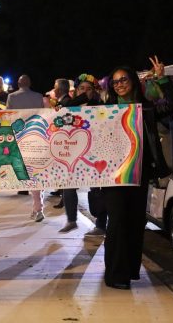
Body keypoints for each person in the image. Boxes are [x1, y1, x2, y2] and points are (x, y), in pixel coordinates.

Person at [103, 56, 173, 290]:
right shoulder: (105, 111)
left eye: (123, 80)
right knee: (116, 222)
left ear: (134, 82)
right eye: (115, 82)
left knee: (134, 223)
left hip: (138, 174)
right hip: (112, 176)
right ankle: (115, 274)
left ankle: (127, 273)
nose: (119, 84)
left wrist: (162, 79)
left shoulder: (145, 109)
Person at [56, 73, 103, 234]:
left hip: (94, 152)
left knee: (96, 188)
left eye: (88, 89)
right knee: (69, 186)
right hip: (74, 152)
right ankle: (71, 219)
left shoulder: (99, 105)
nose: (85, 92)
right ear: (76, 91)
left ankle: (101, 223)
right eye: (81, 88)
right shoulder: (70, 105)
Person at [5, 74, 45, 220]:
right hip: (36, 135)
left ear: (18, 83)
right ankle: (38, 206)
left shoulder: (12, 97)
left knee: (28, 171)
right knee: (36, 171)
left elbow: (8, 116)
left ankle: (37, 207)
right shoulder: (38, 96)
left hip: (20, 136)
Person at [50, 78, 73, 208]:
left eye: (54, 87)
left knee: (66, 172)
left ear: (59, 89)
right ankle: (63, 197)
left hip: (65, 140)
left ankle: (65, 200)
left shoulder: (66, 101)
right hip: (62, 139)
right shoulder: (63, 101)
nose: (54, 89)